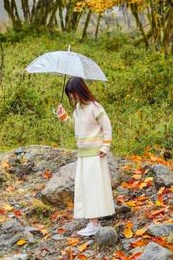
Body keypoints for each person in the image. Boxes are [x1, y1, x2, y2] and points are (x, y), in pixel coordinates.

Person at [56, 77, 115, 237]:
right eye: (70, 95)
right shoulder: (78, 109)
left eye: (73, 93)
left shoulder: (95, 107)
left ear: (80, 90)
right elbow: (76, 126)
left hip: (95, 154)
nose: (72, 97)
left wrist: (106, 146)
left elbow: (107, 126)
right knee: (85, 188)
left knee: (93, 188)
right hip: (83, 155)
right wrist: (64, 117)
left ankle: (93, 224)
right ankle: (92, 221)